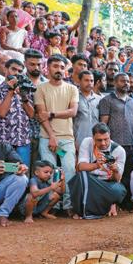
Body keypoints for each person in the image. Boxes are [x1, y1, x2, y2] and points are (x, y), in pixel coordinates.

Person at [34, 54, 79, 214]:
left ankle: (68, 206)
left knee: (69, 170)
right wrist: (52, 136)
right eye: (55, 66)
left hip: (66, 139)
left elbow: (72, 112)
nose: (59, 70)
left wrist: (52, 113)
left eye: (62, 67)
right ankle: (51, 206)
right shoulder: (41, 88)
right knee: (48, 172)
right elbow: (41, 115)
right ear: (48, 68)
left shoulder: (72, 88)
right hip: (47, 138)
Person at [99, 72, 133, 210]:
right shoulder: (107, 100)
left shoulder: (132, 100)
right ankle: (114, 204)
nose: (126, 84)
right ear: (115, 83)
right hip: (116, 145)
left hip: (131, 143)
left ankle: (126, 203)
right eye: (123, 81)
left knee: (129, 174)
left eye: (128, 81)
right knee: (115, 174)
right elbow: (103, 123)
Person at [69, 123, 127, 219]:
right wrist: (96, 165)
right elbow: (80, 167)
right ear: (93, 138)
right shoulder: (87, 142)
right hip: (90, 181)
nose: (103, 143)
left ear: (110, 136)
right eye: (99, 140)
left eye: (106, 139)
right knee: (81, 176)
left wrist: (116, 170)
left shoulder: (119, 150)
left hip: (106, 183)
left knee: (119, 191)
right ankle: (82, 211)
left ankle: (106, 207)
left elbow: (117, 180)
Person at [0, 59, 34, 165]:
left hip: (23, 139)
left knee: (22, 171)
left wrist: (23, 96)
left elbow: (32, 114)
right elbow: (1, 113)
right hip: (5, 140)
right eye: (13, 69)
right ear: (5, 69)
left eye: (20, 71)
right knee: (5, 172)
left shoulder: (25, 89)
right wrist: (10, 91)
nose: (16, 73)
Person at [73, 70, 101, 148]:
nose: (89, 83)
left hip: (96, 142)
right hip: (78, 141)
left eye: (91, 81)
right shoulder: (74, 98)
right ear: (79, 81)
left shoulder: (100, 99)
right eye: (86, 80)